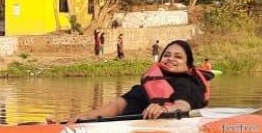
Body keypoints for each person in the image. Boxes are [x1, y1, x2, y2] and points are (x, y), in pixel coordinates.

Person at [59, 40, 212, 123]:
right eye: (167, 55)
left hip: (178, 128)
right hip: (139, 127)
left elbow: (183, 105)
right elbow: (117, 106)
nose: (171, 59)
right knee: (134, 93)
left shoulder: (186, 84)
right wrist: (84, 117)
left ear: (188, 65)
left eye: (178, 57)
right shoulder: (146, 87)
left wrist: (163, 109)